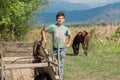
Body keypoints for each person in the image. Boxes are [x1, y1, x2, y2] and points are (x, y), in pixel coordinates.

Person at [41, 12, 72, 80]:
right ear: (56, 19)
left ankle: (60, 78)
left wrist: (68, 43)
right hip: (55, 49)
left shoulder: (65, 28)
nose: (60, 19)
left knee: (61, 65)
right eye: (59, 18)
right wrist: (44, 39)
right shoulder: (53, 27)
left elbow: (70, 35)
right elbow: (43, 31)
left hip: (62, 49)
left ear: (64, 19)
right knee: (53, 65)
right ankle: (54, 77)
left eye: (62, 18)